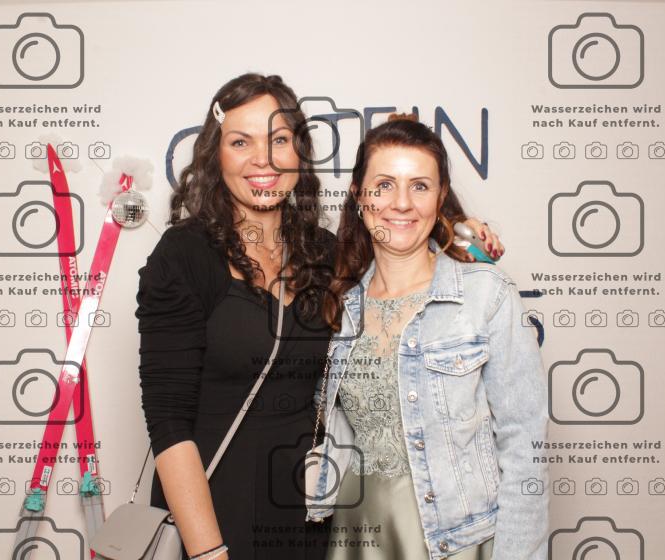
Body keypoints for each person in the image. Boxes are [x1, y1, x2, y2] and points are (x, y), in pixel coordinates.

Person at [135, 74, 505, 560]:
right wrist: (208, 553)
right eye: (241, 142)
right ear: (215, 154)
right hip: (210, 515)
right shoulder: (184, 255)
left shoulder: (327, 255)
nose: (263, 159)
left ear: (300, 152)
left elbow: (402, 253)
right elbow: (168, 423)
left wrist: (457, 230)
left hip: (310, 519)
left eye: (279, 140)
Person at [306, 115, 549, 560]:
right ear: (359, 194)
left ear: (440, 197)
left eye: (419, 186)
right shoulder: (339, 303)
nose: (401, 203)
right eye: (384, 185)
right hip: (358, 533)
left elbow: (524, 447)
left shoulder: (486, 295)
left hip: (456, 540)